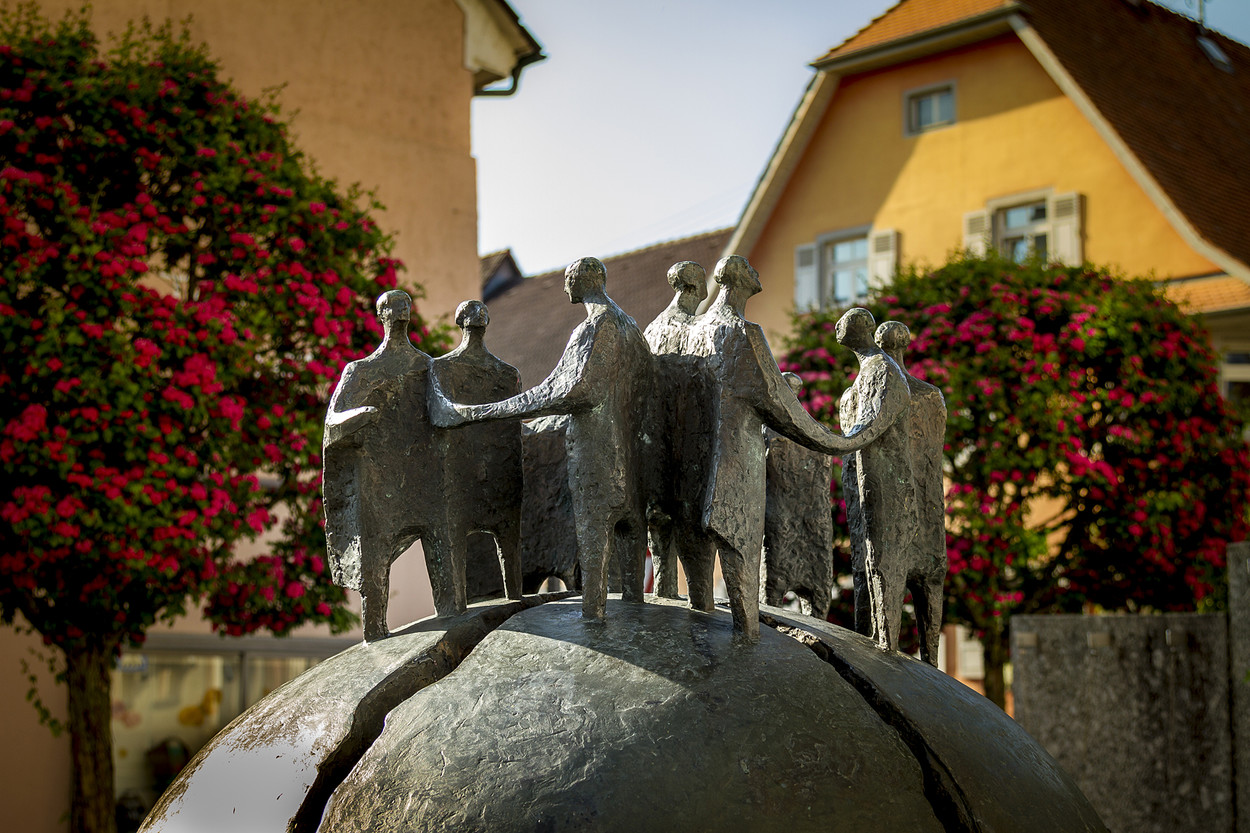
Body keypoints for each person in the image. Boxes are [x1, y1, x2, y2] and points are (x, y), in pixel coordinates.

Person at [429, 257, 652, 623]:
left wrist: (480, 412)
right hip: (631, 464)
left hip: (595, 458)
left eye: (567, 281)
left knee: (594, 571)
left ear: (578, 283)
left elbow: (562, 391)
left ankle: (594, 625)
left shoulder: (594, 327)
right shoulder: (632, 329)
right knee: (629, 588)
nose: (564, 288)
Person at [686, 255, 856, 641]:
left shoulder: (695, 329)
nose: (758, 273)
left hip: (694, 473)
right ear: (737, 279)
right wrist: (844, 441)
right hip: (736, 467)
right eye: (750, 269)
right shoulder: (744, 332)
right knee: (746, 605)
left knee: (699, 609)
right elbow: (782, 405)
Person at [322, 290, 454, 641]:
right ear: (381, 316)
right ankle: (375, 629)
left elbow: (446, 412)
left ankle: (453, 617)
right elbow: (333, 423)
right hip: (378, 480)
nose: (398, 312)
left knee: (440, 545)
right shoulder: (361, 371)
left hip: (424, 476)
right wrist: (359, 415)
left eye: (404, 306)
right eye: (391, 307)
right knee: (375, 556)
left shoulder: (429, 367)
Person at [835, 308, 916, 653]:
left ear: (864, 328)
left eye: (846, 322)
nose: (838, 327)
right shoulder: (865, 372)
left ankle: (888, 644)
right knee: (867, 560)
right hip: (865, 482)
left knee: (884, 561)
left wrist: (830, 441)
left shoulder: (884, 369)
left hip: (886, 482)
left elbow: (873, 424)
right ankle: (875, 638)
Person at [432, 300, 524, 605]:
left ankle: (466, 606)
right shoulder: (507, 373)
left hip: (477, 472)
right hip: (489, 471)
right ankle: (507, 599)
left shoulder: (444, 368)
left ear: (460, 323)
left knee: (473, 543)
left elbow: (440, 415)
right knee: (502, 544)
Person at [642, 261, 717, 610]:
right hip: (688, 444)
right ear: (697, 288)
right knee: (692, 533)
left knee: (659, 529)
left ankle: (665, 594)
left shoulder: (651, 329)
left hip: (654, 447)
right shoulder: (697, 329)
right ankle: (701, 605)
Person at [874, 320, 947, 665]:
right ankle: (931, 659)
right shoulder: (932, 394)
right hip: (929, 510)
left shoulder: (870, 393)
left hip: (892, 514)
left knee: (885, 586)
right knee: (930, 588)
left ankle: (886, 650)